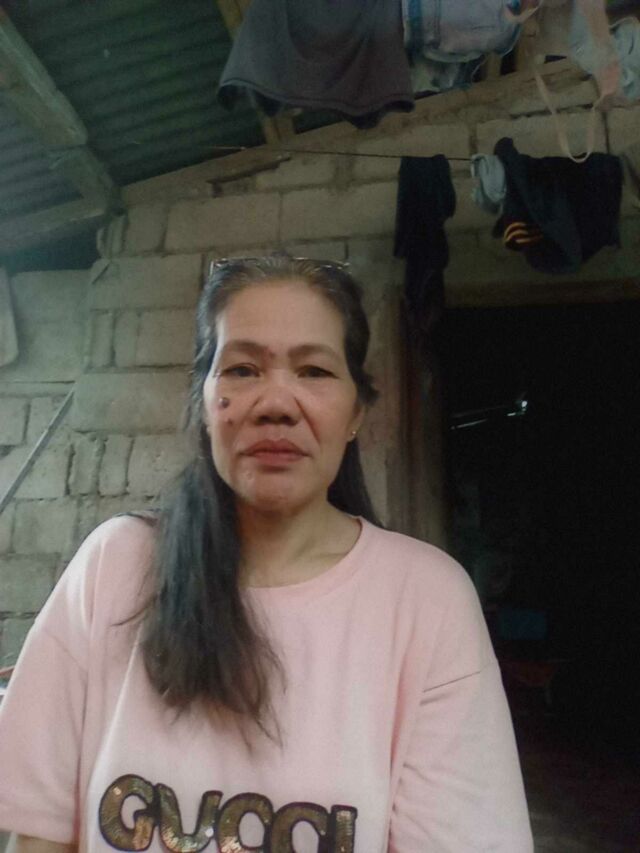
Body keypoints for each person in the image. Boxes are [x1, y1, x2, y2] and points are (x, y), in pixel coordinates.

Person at [0, 256, 533, 852]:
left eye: (314, 370)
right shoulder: (113, 567)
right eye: (243, 369)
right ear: (205, 404)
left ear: (356, 413)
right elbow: (40, 835)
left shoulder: (426, 600)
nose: (277, 402)